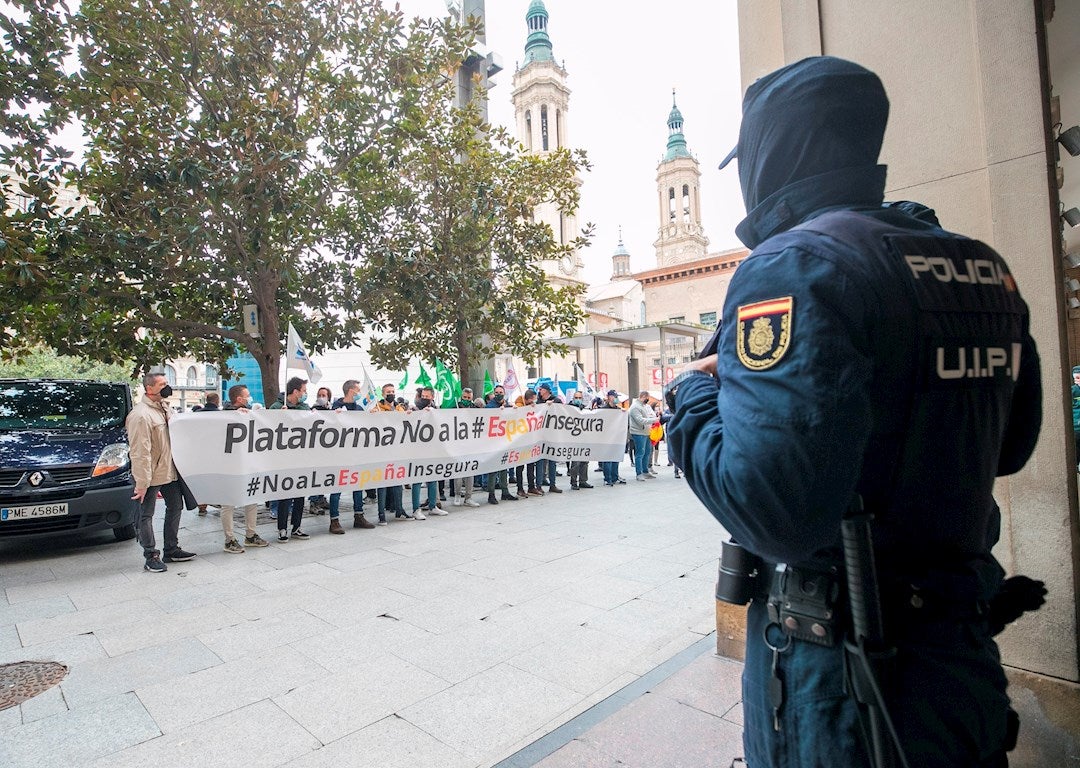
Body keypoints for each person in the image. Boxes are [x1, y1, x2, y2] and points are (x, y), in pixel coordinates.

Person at [665, 56, 1043, 767]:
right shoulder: (978, 265)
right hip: (956, 655)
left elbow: (773, 511)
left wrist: (692, 393)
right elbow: (1012, 444)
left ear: (775, 149)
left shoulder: (794, 266)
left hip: (842, 678)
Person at [126, 372, 197, 572]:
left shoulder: (165, 408)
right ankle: (151, 555)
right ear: (149, 389)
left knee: (175, 506)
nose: (167, 387)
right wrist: (141, 482)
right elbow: (140, 452)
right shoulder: (140, 415)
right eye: (162, 384)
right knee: (146, 514)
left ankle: (171, 549)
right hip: (151, 474)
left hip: (169, 470)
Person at [216, 385, 269, 552]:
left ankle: (250, 535)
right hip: (229, 466)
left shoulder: (248, 414)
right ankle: (229, 539)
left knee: (252, 500)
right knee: (228, 504)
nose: (250, 398)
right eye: (247, 395)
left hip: (247, 464)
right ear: (239, 399)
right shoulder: (225, 416)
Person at [326, 379, 375, 531]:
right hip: (339, 455)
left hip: (356, 453)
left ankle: (359, 516)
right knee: (337, 487)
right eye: (358, 390)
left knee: (358, 485)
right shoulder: (336, 407)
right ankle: (334, 520)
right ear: (351, 391)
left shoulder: (359, 408)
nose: (360, 393)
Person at [269, 376, 311, 541]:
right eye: (303, 391)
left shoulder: (304, 407)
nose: (305, 394)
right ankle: (282, 528)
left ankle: (297, 526)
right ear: (295, 391)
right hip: (284, 459)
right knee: (285, 495)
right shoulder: (277, 407)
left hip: (301, 457)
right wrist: (281, 416)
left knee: (300, 494)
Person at [373, 382, 408, 523]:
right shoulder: (377, 408)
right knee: (382, 484)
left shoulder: (399, 409)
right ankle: (381, 514)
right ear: (383, 394)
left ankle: (399, 510)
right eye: (388, 392)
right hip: (382, 451)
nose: (391, 394)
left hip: (397, 451)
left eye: (393, 391)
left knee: (398, 482)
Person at [485, 385, 518, 504]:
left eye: (501, 392)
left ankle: (505, 492)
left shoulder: (508, 405)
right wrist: (500, 410)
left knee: (504, 467)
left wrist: (514, 410)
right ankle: (491, 494)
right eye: (497, 392)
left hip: (505, 441)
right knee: (493, 469)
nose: (499, 394)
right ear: (494, 394)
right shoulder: (490, 406)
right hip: (493, 442)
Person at [599, 390, 626, 486]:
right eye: (614, 396)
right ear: (609, 397)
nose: (616, 399)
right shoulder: (603, 409)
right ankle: (607, 478)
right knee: (607, 458)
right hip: (606, 438)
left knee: (615, 457)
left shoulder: (618, 409)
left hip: (616, 437)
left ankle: (615, 477)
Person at [627, 391, 655, 481]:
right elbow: (641, 420)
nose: (648, 399)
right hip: (638, 432)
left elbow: (646, 417)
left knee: (647, 452)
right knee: (640, 453)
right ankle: (639, 473)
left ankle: (645, 471)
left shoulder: (642, 406)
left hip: (645, 432)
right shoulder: (635, 407)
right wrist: (654, 420)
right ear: (643, 396)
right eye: (647, 397)